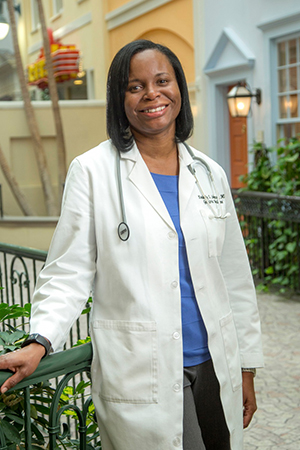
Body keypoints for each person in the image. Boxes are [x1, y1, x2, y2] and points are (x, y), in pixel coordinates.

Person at [0, 40, 264, 450]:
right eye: (135, 86)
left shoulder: (209, 173)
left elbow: (234, 275)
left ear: (179, 89)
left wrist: (246, 366)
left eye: (162, 80)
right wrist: (41, 339)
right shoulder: (91, 172)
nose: (152, 94)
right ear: (118, 99)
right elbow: (69, 271)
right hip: (146, 367)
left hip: (216, 361)